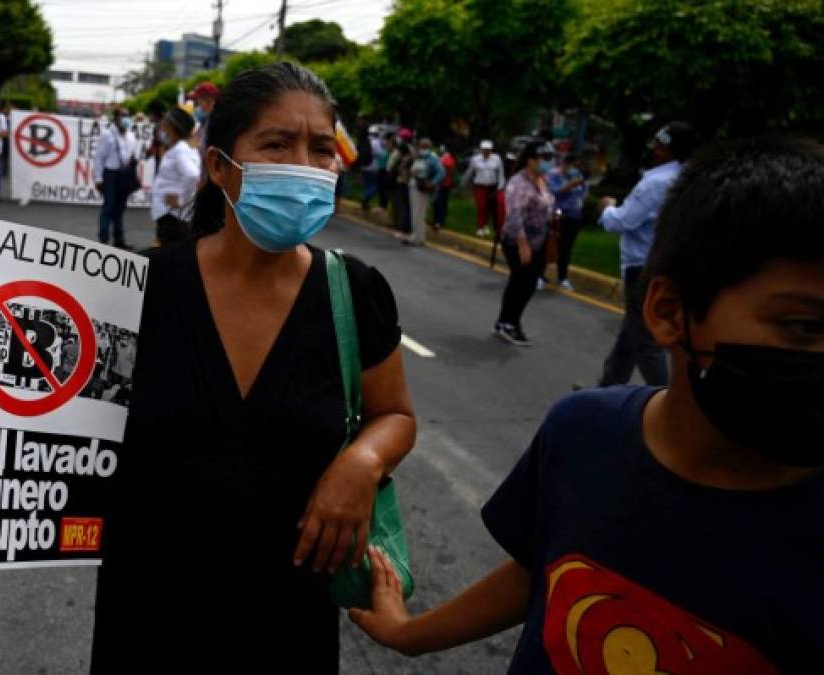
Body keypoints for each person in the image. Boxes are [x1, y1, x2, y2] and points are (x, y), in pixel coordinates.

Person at [0, 61, 417, 673]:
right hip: (146, 620)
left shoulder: (355, 293)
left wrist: (364, 459)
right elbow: (34, 419)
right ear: (219, 166)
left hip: (289, 622)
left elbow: (396, 415)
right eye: (277, 144)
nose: (304, 163)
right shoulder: (130, 289)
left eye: (321, 148)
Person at [350, 134, 824, 674]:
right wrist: (410, 634)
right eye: (804, 327)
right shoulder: (582, 433)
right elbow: (539, 572)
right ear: (669, 311)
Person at [597, 121, 697, 386]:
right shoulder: (686, 178)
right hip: (666, 262)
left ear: (666, 150)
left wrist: (607, 208)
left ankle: (667, 400)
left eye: (658, 144)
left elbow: (622, 222)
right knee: (628, 339)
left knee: (644, 342)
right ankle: (606, 391)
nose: (653, 149)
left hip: (642, 267)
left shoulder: (655, 183)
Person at [493, 139, 556, 347]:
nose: (547, 162)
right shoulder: (518, 183)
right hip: (518, 240)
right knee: (521, 282)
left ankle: (510, 321)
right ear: (530, 160)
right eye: (543, 158)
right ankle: (508, 323)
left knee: (527, 284)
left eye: (549, 158)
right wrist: (522, 244)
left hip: (539, 240)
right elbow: (514, 216)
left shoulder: (541, 180)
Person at [150, 106, 200, 247]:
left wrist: (181, 200)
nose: (161, 130)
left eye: (164, 126)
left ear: (174, 128)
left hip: (172, 216)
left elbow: (192, 175)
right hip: (171, 214)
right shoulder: (180, 148)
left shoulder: (180, 150)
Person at [93, 106, 136, 248]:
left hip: (123, 175)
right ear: (115, 118)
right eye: (123, 115)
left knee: (120, 208)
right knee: (109, 206)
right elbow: (99, 157)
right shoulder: (108, 134)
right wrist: (98, 178)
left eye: (127, 115)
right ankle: (104, 238)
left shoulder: (130, 135)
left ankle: (119, 240)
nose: (126, 119)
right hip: (110, 174)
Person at [545, 153, 589, 291]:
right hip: (558, 214)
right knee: (550, 245)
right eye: (572, 166)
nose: (574, 169)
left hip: (574, 215)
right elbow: (554, 192)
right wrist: (570, 185)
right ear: (565, 164)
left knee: (566, 247)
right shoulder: (554, 175)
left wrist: (580, 185)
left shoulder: (579, 178)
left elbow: (583, 194)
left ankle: (562, 277)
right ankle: (539, 275)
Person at [404, 137, 444, 246]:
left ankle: (415, 238)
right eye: (421, 146)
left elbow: (441, 172)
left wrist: (433, 182)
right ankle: (420, 237)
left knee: (418, 213)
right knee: (417, 213)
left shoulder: (432, 158)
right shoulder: (418, 157)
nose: (422, 148)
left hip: (422, 188)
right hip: (414, 185)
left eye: (425, 146)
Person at [462, 139, 505, 238]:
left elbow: (500, 174)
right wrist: (463, 183)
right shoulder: (475, 159)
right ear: (481, 150)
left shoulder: (496, 159)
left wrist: (500, 186)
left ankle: (487, 226)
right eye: (484, 149)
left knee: (490, 207)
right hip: (480, 186)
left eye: (488, 149)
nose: (486, 151)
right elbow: (470, 172)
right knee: (481, 207)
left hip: (492, 186)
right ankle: (480, 227)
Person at [387, 128, 413, 233]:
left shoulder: (401, 150)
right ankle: (399, 223)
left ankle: (399, 224)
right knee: (401, 203)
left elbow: (391, 165)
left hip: (399, 179)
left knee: (398, 202)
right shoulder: (411, 149)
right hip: (404, 180)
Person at [187, 80, 219, 165]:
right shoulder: (203, 122)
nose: (197, 105)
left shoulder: (217, 123)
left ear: (209, 100)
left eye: (198, 101)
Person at [432, 143, 456, 231]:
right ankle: (439, 221)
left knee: (438, 203)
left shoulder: (445, 159)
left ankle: (438, 221)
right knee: (442, 203)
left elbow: (444, 171)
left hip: (442, 184)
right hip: (446, 184)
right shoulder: (450, 159)